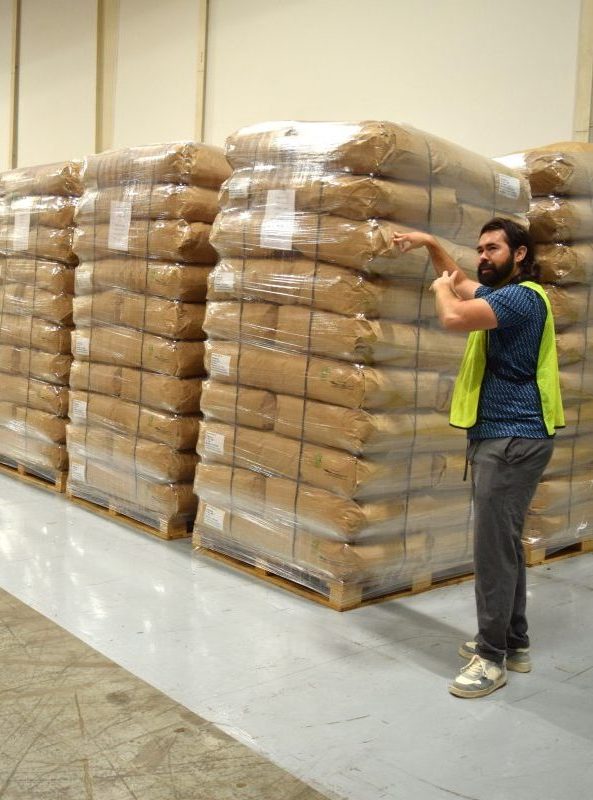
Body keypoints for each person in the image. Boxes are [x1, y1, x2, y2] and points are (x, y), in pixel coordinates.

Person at [392, 218, 564, 699]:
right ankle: (515, 642)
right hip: (509, 438)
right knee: (504, 544)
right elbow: (463, 281)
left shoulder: (520, 298)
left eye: (493, 249)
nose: (482, 256)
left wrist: (440, 290)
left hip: (511, 440)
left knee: (491, 550)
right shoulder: (508, 295)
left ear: (521, 254)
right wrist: (430, 243)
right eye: (479, 249)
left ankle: (491, 658)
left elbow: (454, 313)